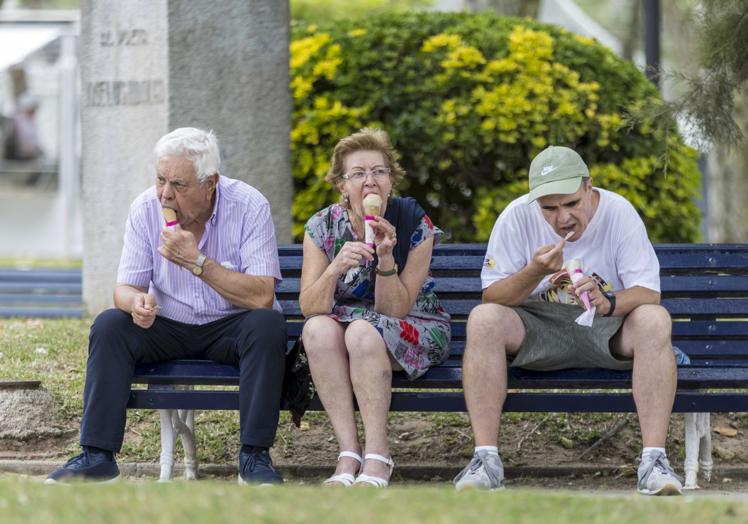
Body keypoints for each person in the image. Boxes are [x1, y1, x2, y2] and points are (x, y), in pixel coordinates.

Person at [47, 127, 287, 484]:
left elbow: (261, 296)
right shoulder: (146, 208)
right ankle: (97, 456)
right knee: (110, 324)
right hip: (168, 325)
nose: (165, 194)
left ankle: (254, 458)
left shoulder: (249, 205)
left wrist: (198, 262)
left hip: (231, 326)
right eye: (161, 180)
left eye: (179, 185)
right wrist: (137, 303)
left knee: (268, 325)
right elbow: (125, 288)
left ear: (211, 183)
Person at [455, 146, 682, 496]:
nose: (563, 218)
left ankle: (654, 461)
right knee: (483, 320)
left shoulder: (618, 212)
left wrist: (608, 302)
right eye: (550, 208)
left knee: (654, 319)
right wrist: (533, 272)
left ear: (589, 187)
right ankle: (486, 461)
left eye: (572, 203)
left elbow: (649, 293)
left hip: (608, 329)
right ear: (536, 203)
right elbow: (492, 297)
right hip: (538, 329)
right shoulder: (516, 216)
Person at [300, 128, 451, 488]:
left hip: (415, 324)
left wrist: (385, 258)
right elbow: (309, 306)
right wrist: (336, 267)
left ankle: (379, 456)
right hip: (349, 328)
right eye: (358, 174)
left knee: (363, 332)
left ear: (390, 181)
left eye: (379, 172)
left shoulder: (414, 223)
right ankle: (348, 453)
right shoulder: (322, 227)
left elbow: (395, 310)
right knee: (316, 330)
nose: (370, 182)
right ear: (342, 185)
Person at [4, 93, 43, 161]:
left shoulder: (32, 122)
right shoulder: (16, 120)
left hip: (30, 156)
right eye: (32, 109)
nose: (34, 112)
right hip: (18, 158)